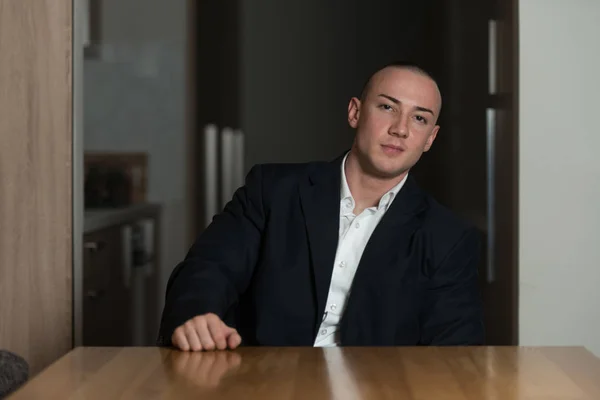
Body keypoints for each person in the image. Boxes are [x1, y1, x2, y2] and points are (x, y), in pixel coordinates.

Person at [158, 62, 485, 351]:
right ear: (355, 112)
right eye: (387, 107)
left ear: (430, 138)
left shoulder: (449, 238)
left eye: (419, 118)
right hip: (261, 383)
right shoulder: (272, 190)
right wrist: (197, 315)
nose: (400, 128)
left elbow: (455, 350)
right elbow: (209, 267)